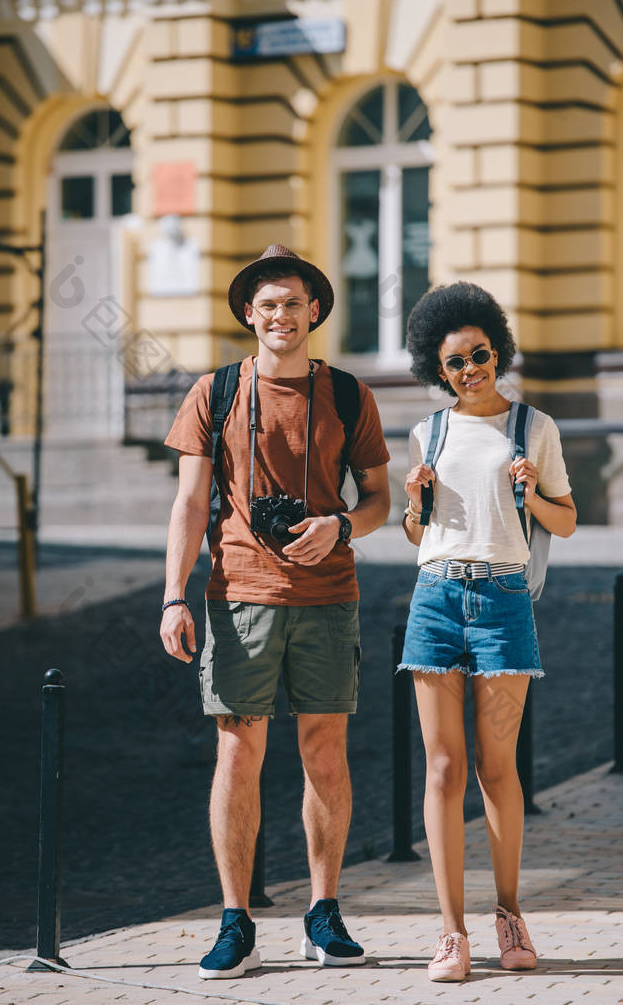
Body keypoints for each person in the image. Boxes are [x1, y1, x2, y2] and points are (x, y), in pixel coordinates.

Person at [160, 244, 391, 979]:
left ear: (313, 310)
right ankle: (236, 920)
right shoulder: (214, 391)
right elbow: (190, 502)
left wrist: (342, 525)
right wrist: (173, 594)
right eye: (267, 305)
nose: (281, 315)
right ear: (248, 316)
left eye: (293, 302)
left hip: (328, 594)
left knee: (325, 752)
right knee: (238, 752)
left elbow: (383, 498)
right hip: (238, 595)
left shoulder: (350, 393)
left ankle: (323, 913)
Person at [399, 281, 576, 982]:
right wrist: (414, 503)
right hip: (435, 595)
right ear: (435, 369)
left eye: (478, 354)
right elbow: (417, 531)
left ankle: (508, 914)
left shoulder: (534, 426)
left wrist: (531, 490)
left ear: (496, 351)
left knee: (494, 766)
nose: (468, 369)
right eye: (453, 362)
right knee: (441, 768)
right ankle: (450, 932)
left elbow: (563, 520)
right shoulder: (427, 432)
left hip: (502, 600)